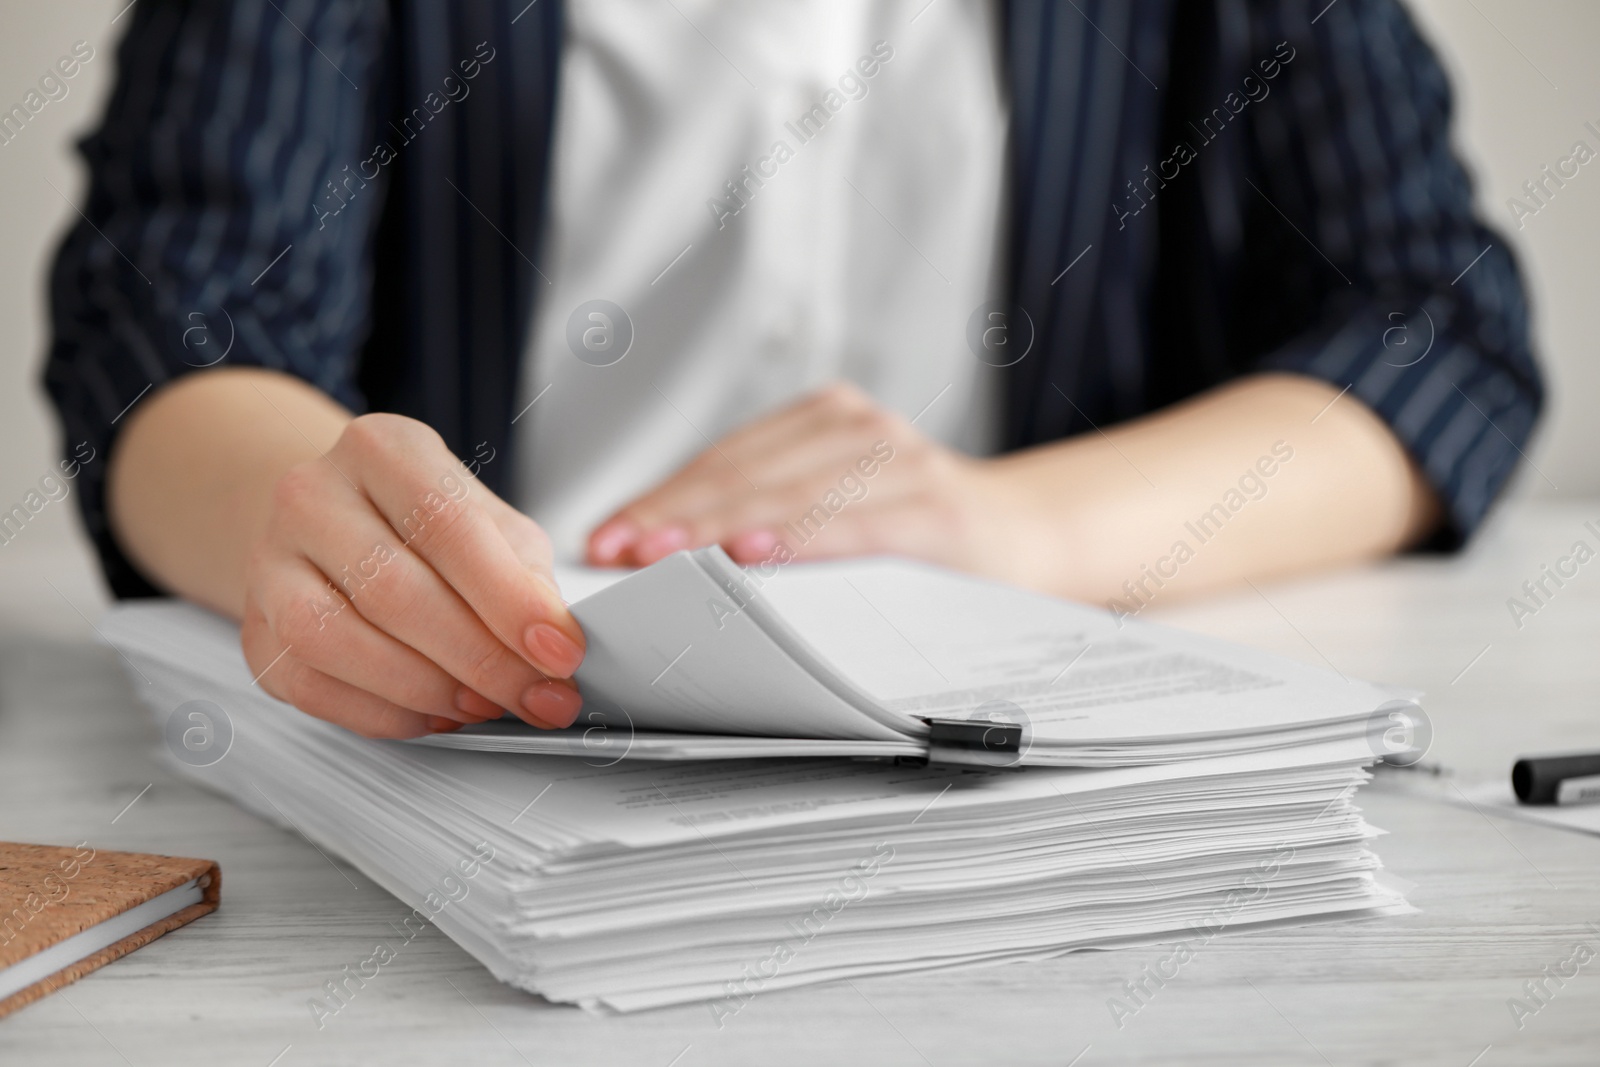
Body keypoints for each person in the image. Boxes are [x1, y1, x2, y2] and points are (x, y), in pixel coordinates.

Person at [44, 0, 1542, 741]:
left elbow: (1440, 326)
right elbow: (169, 316)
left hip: (1019, 728)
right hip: (503, 721)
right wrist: (305, 528)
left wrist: (1015, 531)